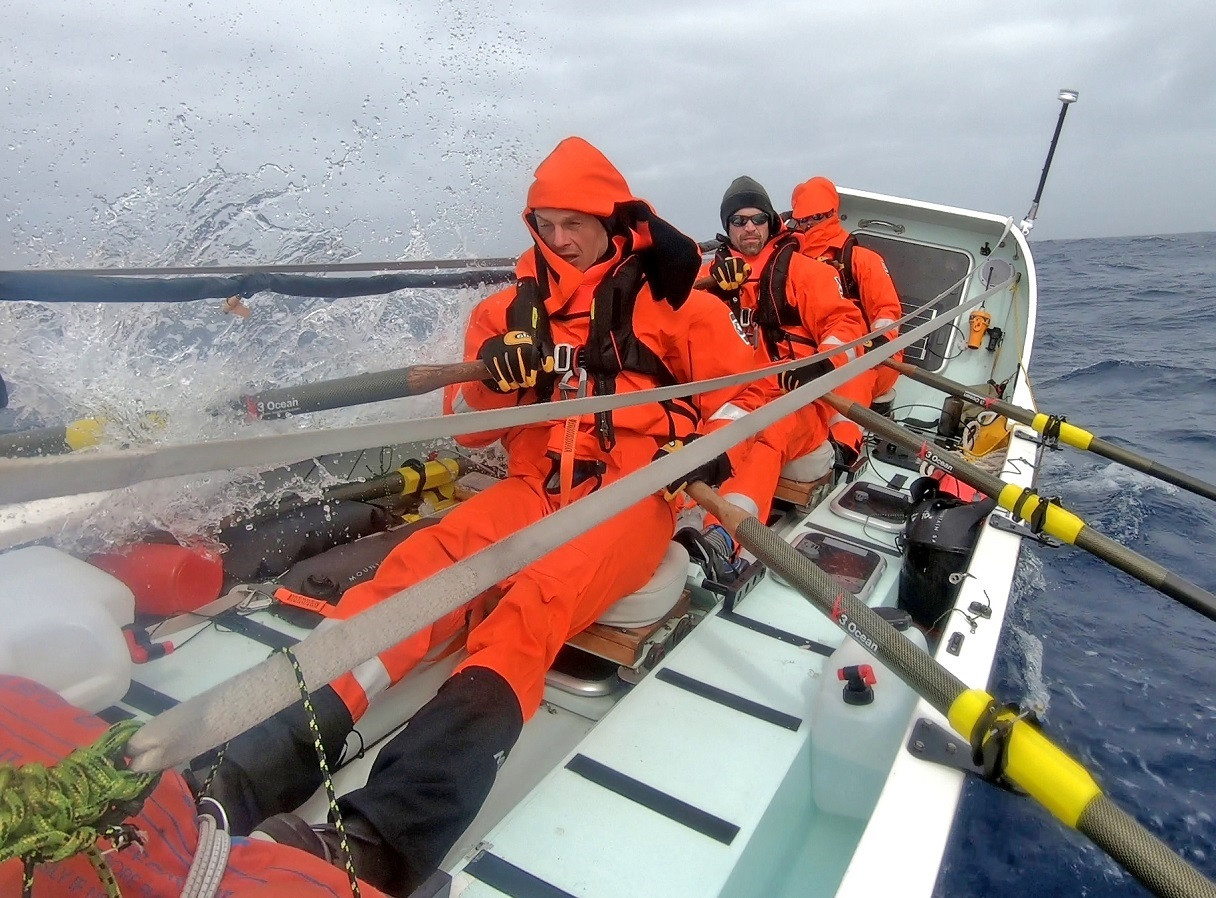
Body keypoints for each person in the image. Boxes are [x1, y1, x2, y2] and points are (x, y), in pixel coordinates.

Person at [203, 137, 766, 896]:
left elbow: (754, 398)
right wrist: (500, 380)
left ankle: (380, 841)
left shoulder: (682, 308)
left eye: (575, 222)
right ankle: (244, 770)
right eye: (545, 221)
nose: (558, 238)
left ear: (613, 221)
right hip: (534, 487)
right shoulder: (504, 313)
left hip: (634, 499)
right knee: (417, 574)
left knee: (535, 604)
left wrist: (705, 448)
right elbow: (470, 432)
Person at [700, 176, 872, 524]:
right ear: (727, 226)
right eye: (738, 220)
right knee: (705, 442)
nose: (750, 228)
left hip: (799, 397)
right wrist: (709, 288)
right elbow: (663, 310)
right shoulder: (706, 276)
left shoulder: (803, 272)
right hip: (735, 397)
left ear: (771, 222)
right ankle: (674, 524)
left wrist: (822, 365)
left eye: (758, 219)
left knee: (768, 433)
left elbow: (847, 325)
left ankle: (723, 538)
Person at [791, 176, 904, 407]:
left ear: (832, 213)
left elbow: (886, 311)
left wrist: (880, 342)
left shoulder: (863, 260)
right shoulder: (790, 262)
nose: (811, 224)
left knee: (850, 384)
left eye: (818, 217)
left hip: (869, 360)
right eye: (804, 219)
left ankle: (844, 442)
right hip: (807, 354)